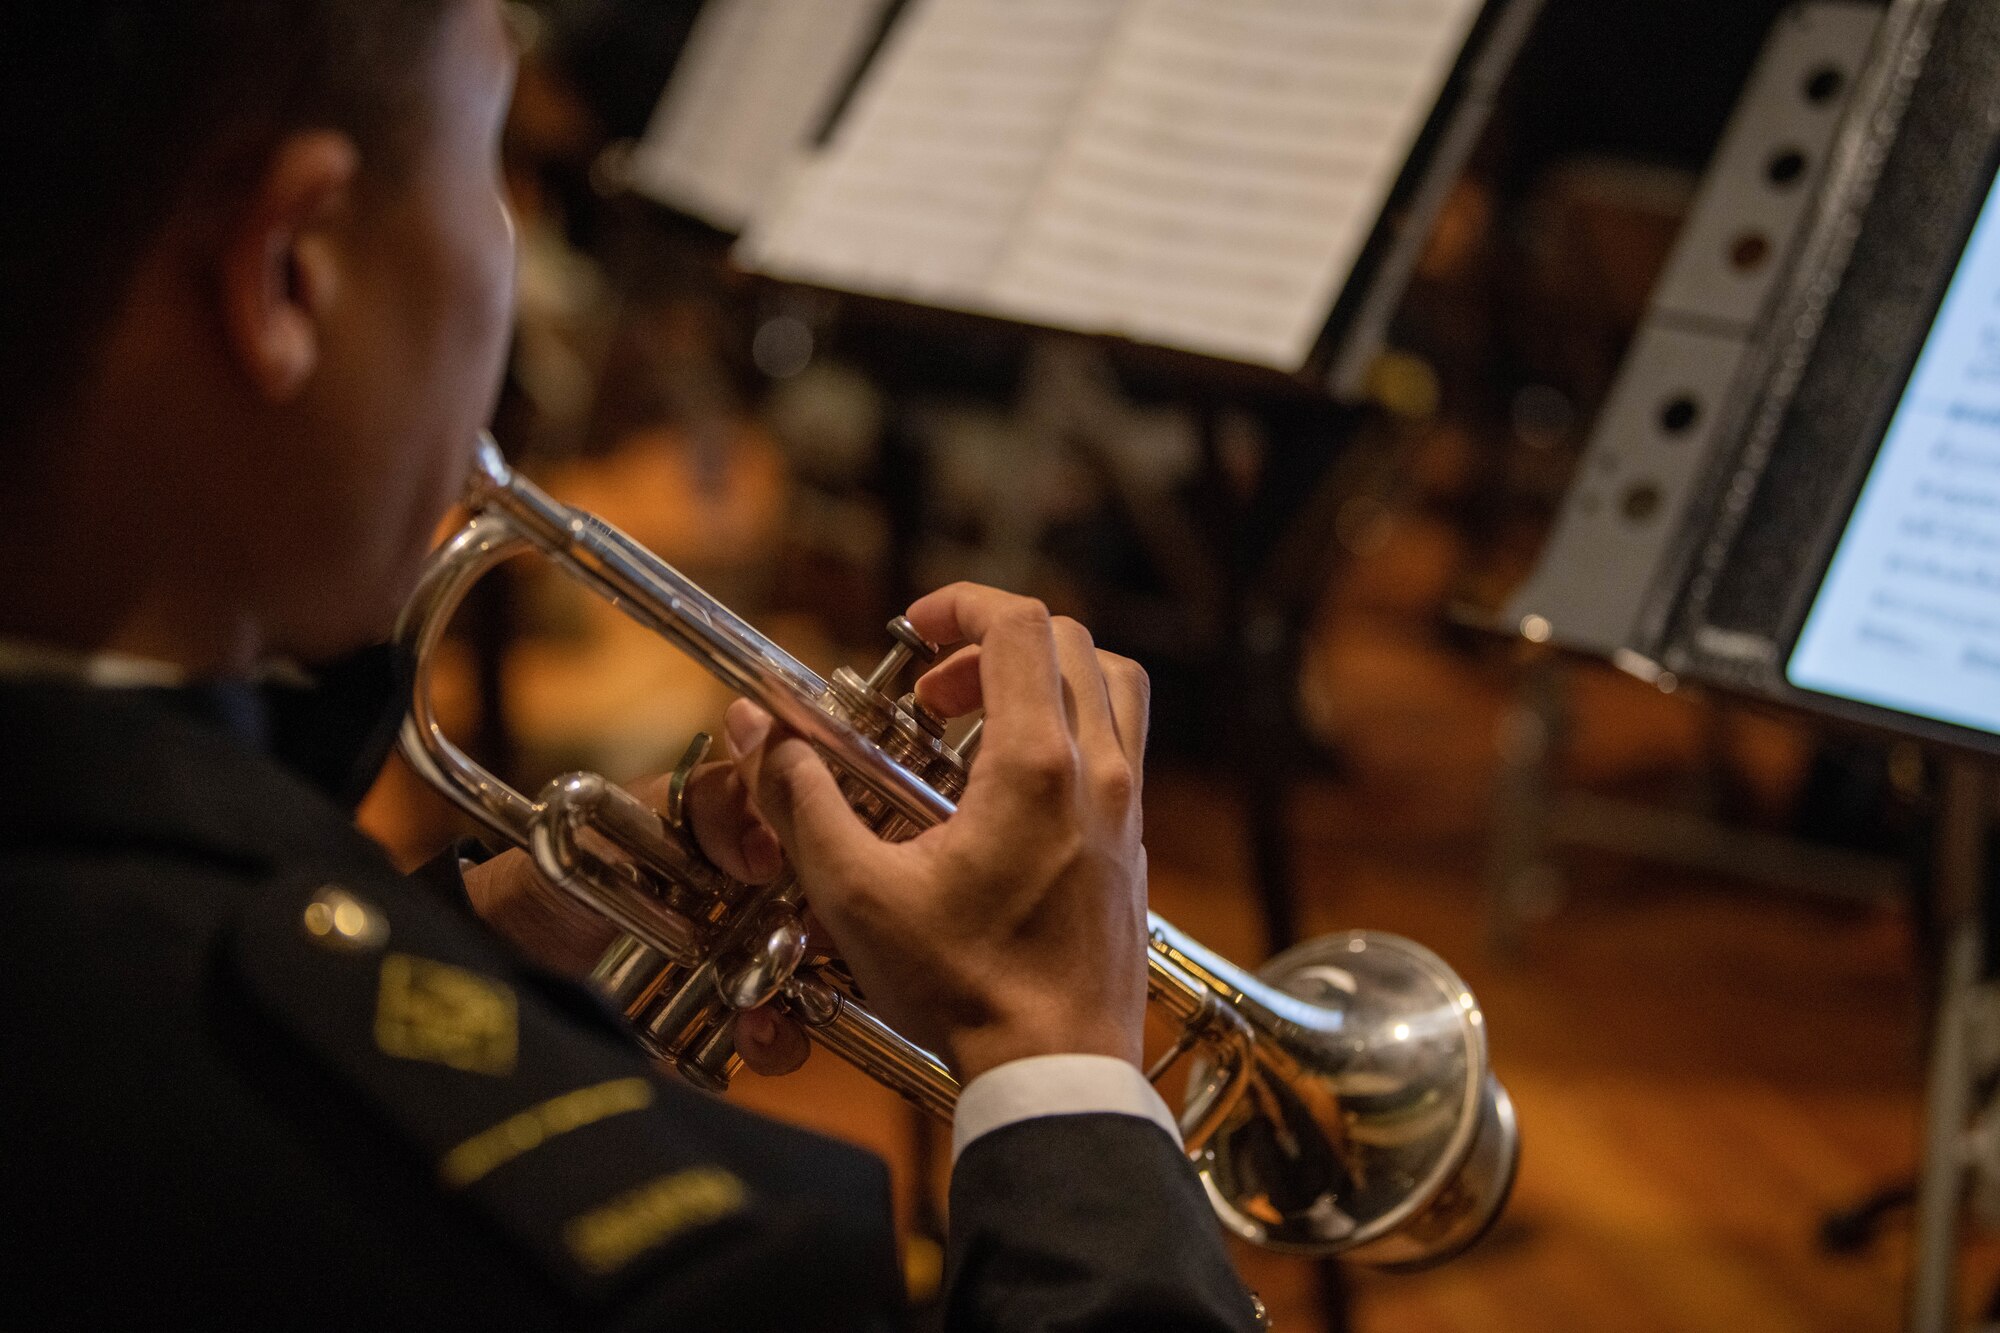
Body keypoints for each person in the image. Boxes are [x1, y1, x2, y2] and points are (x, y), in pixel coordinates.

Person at [0, 3, 1262, 1329]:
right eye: (496, 166)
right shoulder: (697, 1273)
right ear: (288, 274)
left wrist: (503, 924)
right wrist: (1057, 1062)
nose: (518, 260)